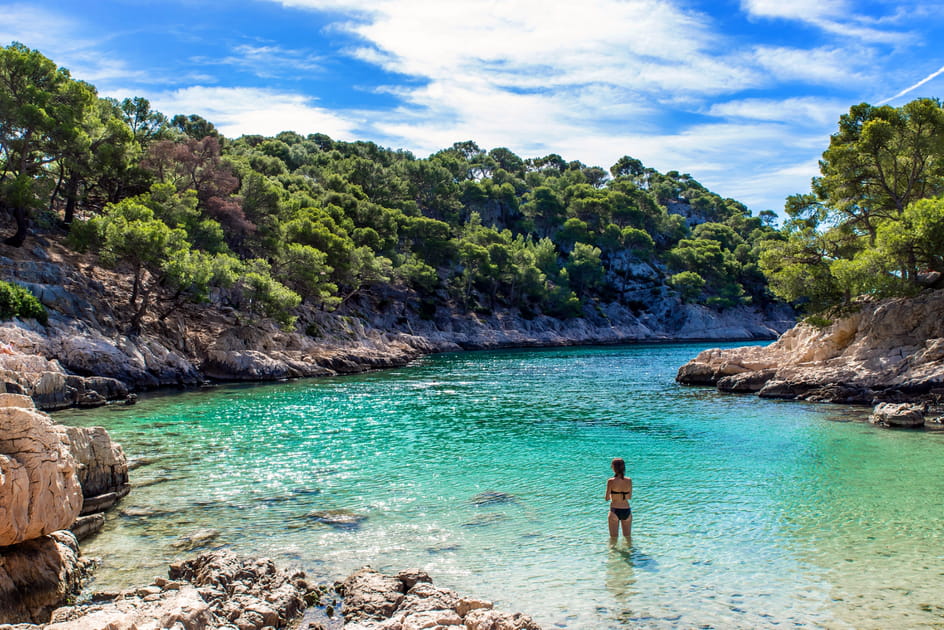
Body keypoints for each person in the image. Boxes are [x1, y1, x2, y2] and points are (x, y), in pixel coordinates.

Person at [605, 457, 632, 541]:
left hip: (615, 510)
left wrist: (614, 495)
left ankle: (613, 554)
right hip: (626, 510)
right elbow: (629, 497)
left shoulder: (611, 481)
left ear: (613, 467)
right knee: (627, 538)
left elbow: (607, 498)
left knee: (613, 539)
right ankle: (630, 554)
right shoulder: (629, 480)